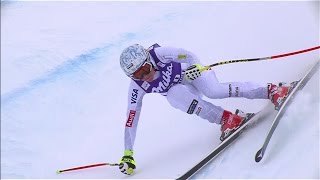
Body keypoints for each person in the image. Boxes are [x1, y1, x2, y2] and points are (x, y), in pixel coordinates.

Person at [117, 43, 291, 175]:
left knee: (213, 91)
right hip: (185, 91)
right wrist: (128, 154)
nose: (145, 76)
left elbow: (188, 55)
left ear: (148, 59)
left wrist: (195, 68)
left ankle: (273, 90)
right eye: (138, 75)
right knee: (173, 95)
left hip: (195, 73)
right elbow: (131, 118)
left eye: (146, 69)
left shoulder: (160, 54)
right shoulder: (137, 87)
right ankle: (227, 119)